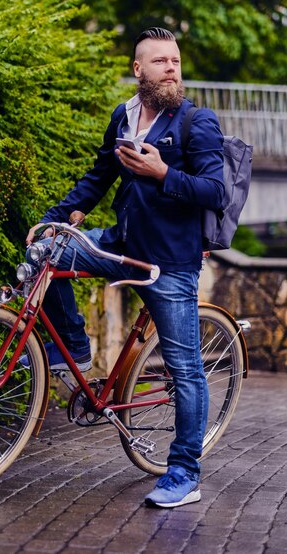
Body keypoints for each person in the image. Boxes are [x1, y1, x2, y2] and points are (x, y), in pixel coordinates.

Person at [25, 27, 224, 508]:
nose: (171, 68)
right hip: (118, 245)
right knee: (43, 254)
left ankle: (183, 473)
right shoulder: (125, 115)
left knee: (185, 369)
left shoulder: (198, 122)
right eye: (160, 61)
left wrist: (164, 174)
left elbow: (214, 192)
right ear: (138, 70)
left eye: (175, 60)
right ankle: (71, 345)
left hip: (169, 264)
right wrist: (53, 220)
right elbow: (98, 176)